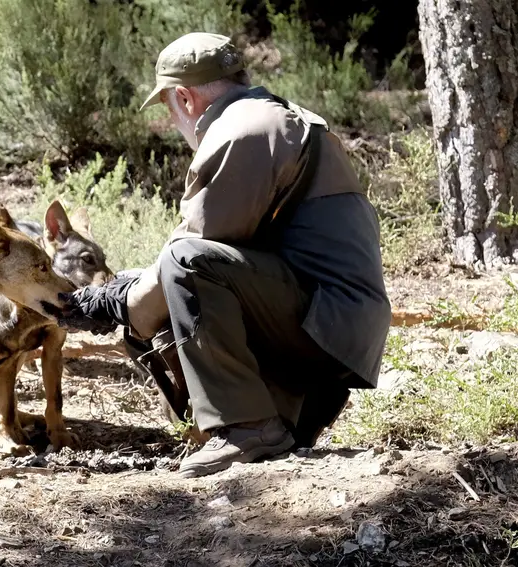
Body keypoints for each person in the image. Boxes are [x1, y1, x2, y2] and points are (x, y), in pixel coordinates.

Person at [56, 32, 392, 479]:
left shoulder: (242, 130)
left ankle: (248, 426)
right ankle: (278, 416)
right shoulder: (272, 118)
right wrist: (128, 291)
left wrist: (120, 304)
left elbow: (192, 253)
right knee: (163, 277)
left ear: (184, 98)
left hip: (326, 327)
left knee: (183, 267)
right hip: (335, 325)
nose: (174, 121)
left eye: (169, 109)